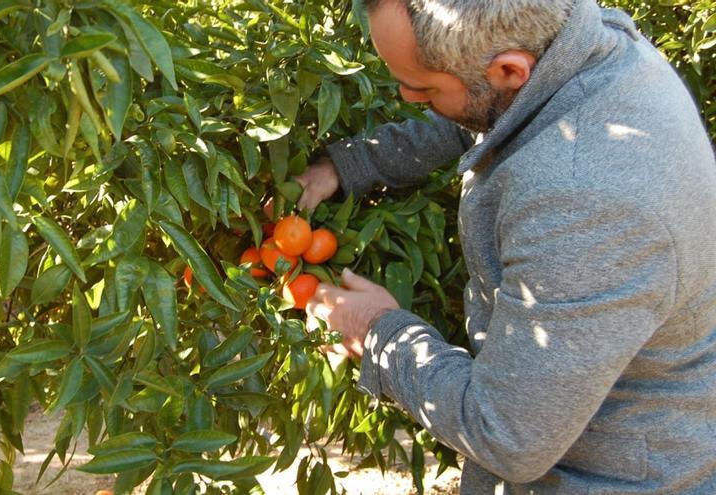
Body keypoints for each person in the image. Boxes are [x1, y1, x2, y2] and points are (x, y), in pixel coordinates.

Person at [296, 0, 716, 493]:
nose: (407, 96)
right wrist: (347, 166)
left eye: (422, 87)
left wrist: (375, 332)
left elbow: (508, 435)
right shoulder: (578, 39)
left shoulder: (583, 205)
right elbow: (481, 104)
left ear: (510, 70)